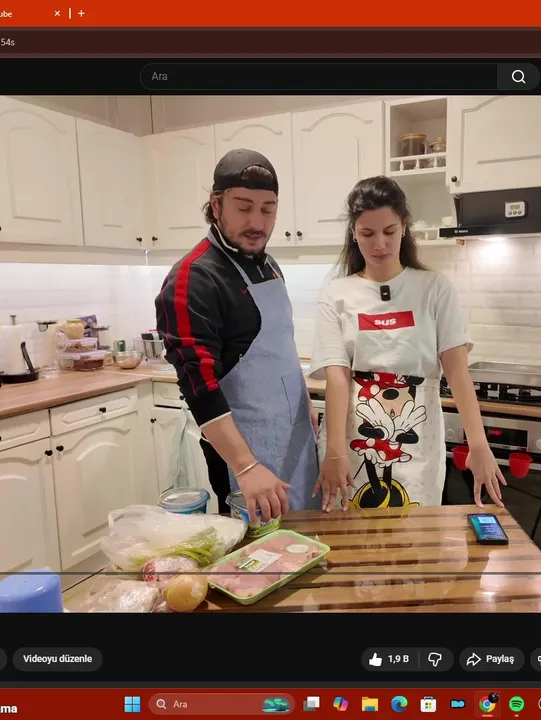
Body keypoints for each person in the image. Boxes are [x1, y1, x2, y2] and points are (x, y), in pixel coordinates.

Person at [308, 176, 505, 511]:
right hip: (352, 439)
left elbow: (457, 373)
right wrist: (335, 452)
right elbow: (337, 379)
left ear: (404, 228)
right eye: (367, 233)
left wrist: (478, 444)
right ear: (353, 233)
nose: (380, 243)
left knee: (414, 531)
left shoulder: (435, 289)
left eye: (389, 231)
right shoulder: (335, 294)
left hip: (417, 438)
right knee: (352, 531)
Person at [156, 148, 319, 522]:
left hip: (294, 436)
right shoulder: (193, 278)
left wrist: (303, 401)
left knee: (304, 539)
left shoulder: (269, 264)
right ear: (216, 206)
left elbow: (281, 345)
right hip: (245, 454)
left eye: (268, 209)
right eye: (244, 207)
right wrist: (246, 466)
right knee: (258, 547)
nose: (257, 222)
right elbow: (199, 386)